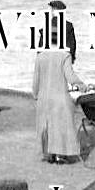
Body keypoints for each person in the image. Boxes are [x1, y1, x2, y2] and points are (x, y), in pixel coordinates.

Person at [32, 23, 89, 163]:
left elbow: (36, 81)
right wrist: (82, 86)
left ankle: (49, 155)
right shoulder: (64, 55)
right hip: (60, 97)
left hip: (44, 98)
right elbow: (70, 76)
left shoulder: (41, 56)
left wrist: (35, 95)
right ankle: (60, 155)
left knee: (47, 126)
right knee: (61, 125)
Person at [49, 0, 77, 64]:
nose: (51, 12)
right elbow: (72, 45)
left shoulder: (49, 24)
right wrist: (71, 60)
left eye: (52, 10)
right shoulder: (69, 25)